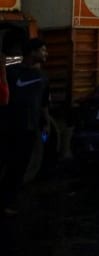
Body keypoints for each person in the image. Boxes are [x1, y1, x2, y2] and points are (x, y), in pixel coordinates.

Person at [0, 38, 50, 216]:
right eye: (43, 50)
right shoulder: (11, 72)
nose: (46, 54)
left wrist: (45, 124)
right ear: (32, 52)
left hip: (29, 130)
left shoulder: (43, 77)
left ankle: (8, 203)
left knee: (18, 168)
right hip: (8, 127)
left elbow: (43, 104)